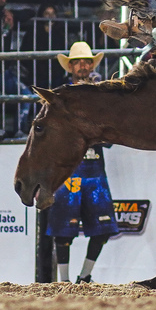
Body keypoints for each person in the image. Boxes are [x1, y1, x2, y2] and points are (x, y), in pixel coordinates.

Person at [46, 41, 119, 283]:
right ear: (70, 67)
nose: (82, 66)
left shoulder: (99, 96)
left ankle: (84, 276)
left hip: (93, 169)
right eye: (78, 62)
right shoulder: (61, 96)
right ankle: (65, 280)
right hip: (70, 170)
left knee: (103, 230)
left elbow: (109, 135)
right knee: (63, 232)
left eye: (86, 62)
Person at [20, 3, 69, 90]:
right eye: (47, 13)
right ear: (41, 15)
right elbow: (24, 52)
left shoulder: (60, 33)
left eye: (53, 13)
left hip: (56, 76)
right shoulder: (33, 33)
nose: (50, 16)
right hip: (37, 76)